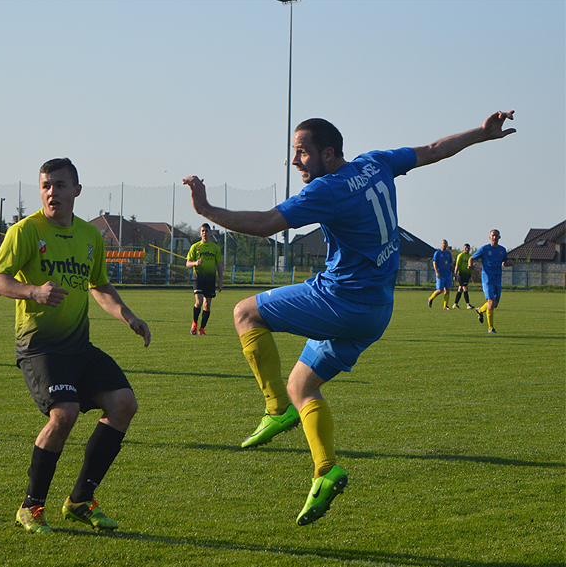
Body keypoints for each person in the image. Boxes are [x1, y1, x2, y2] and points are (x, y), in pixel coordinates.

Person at [183, 110, 516, 527]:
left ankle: (274, 409)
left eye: (301, 153)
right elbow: (432, 151)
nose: (295, 162)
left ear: (328, 152)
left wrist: (207, 208)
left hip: (340, 300)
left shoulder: (328, 190)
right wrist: (482, 135)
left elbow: (268, 224)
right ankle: (326, 471)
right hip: (377, 311)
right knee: (302, 385)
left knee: (244, 312)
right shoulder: (376, 162)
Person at [0, 158, 151, 535]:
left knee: (124, 404)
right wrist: (33, 291)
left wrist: (128, 315)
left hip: (78, 345)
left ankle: (79, 501)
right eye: (45, 185)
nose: (51, 192)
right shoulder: (26, 231)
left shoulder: (89, 236)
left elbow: (99, 285)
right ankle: (31, 506)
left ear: (77, 190)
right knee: (65, 414)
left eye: (60, 185)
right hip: (39, 346)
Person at [468, 229, 511, 333]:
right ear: (489, 237)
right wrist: (470, 265)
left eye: (496, 236)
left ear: (499, 237)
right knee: (491, 301)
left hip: (497, 279)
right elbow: (471, 258)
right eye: (493, 235)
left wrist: (508, 263)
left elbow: (504, 261)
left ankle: (480, 310)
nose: (495, 237)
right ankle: (491, 328)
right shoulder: (484, 249)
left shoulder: (502, 250)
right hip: (487, 279)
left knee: (494, 304)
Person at [186, 223, 223, 335]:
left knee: (207, 303)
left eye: (206, 231)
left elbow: (219, 265)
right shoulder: (195, 247)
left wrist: (221, 280)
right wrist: (195, 263)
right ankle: (195, 323)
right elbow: (187, 263)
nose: (204, 233)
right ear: (200, 232)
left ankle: (202, 329)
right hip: (198, 278)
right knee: (199, 301)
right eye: (202, 231)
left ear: (210, 232)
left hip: (210, 279)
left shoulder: (215, 248)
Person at [427, 239, 454, 309]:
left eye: (445, 243)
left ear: (447, 245)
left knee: (447, 289)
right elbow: (434, 263)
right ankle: (431, 298)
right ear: (441, 245)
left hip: (447, 274)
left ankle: (445, 306)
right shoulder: (437, 253)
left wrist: (454, 273)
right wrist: (437, 272)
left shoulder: (448, 254)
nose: (444, 245)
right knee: (440, 290)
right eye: (443, 243)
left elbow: (451, 264)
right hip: (441, 274)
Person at [453, 243, 475, 309]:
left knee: (460, 289)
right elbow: (457, 265)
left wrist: (472, 267)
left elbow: (471, 267)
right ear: (463, 248)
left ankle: (455, 304)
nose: (467, 249)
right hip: (461, 274)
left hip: (467, 274)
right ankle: (468, 304)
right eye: (465, 247)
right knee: (465, 288)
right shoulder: (461, 255)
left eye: (468, 248)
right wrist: (455, 274)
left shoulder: (470, 256)